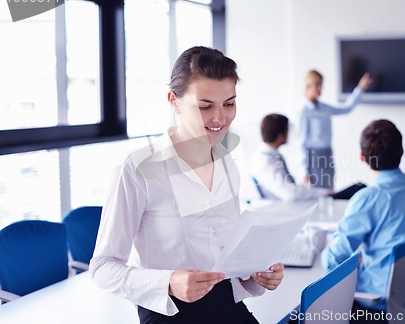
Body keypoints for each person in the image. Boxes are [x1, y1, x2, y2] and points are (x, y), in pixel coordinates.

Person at [89, 46, 284, 324]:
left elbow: (226, 250)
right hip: (171, 313)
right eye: (205, 106)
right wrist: (168, 282)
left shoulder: (228, 162)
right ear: (174, 101)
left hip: (227, 303)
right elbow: (103, 267)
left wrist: (257, 271)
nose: (220, 118)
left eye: (229, 104)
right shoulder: (138, 168)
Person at [321, 119, 405, 314]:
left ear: (362, 157)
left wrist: (324, 249)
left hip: (379, 305)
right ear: (402, 152)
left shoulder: (368, 198)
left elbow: (334, 260)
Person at [298, 70, 373, 190]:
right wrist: (304, 171)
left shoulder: (324, 108)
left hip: (327, 154)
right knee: (317, 193)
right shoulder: (304, 111)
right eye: (317, 85)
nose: (320, 89)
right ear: (308, 86)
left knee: (329, 190)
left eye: (321, 85)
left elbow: (346, 108)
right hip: (314, 158)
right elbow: (301, 143)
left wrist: (359, 89)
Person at [248, 113, 333, 201]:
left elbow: (286, 188)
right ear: (281, 135)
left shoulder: (270, 155)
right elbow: (289, 193)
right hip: (280, 209)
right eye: (288, 130)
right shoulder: (264, 159)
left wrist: (303, 188)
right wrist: (324, 193)